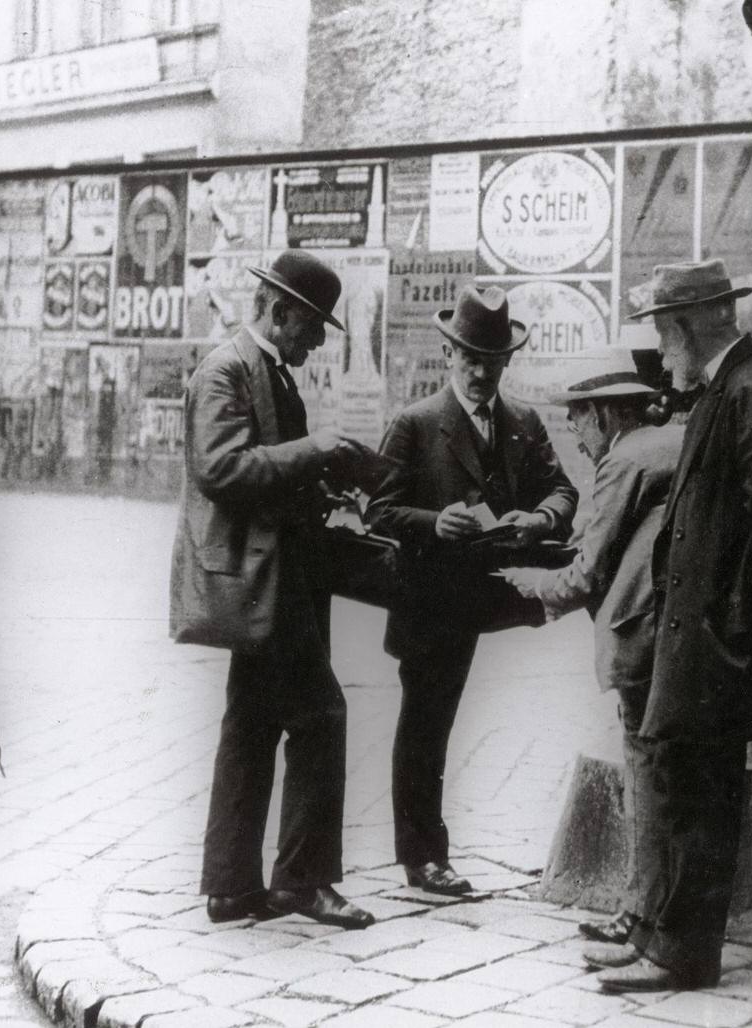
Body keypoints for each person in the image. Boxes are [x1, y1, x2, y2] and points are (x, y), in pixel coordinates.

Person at [584, 259, 752, 992]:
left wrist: (731, 631)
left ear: (691, 324)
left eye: (664, 330)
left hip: (717, 643)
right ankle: (655, 934)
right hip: (697, 635)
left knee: (702, 797)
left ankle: (681, 954)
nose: (661, 347)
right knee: (682, 785)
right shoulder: (730, 388)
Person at [170, 250, 378, 930]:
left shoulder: (268, 370)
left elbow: (268, 470)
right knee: (320, 716)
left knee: (252, 724)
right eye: (313, 325)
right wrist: (315, 451)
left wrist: (321, 484)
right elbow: (221, 468)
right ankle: (301, 880)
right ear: (280, 311)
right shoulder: (226, 369)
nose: (317, 340)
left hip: (277, 575)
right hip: (263, 582)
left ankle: (231, 888)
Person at [367, 285, 578, 895]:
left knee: (447, 722)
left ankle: (428, 852)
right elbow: (378, 511)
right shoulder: (415, 424)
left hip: (497, 598)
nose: (481, 371)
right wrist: (435, 522)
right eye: (470, 358)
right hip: (430, 603)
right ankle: (423, 858)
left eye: (492, 359)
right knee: (426, 727)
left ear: (508, 361)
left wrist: (540, 519)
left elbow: (563, 491)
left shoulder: (523, 423)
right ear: (447, 354)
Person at [499, 347, 681, 947]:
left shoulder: (625, 459)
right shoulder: (670, 442)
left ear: (605, 414)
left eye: (576, 417)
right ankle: (654, 913)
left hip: (645, 641)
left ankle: (640, 915)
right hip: (683, 641)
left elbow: (586, 575)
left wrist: (532, 584)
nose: (574, 433)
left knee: (647, 776)